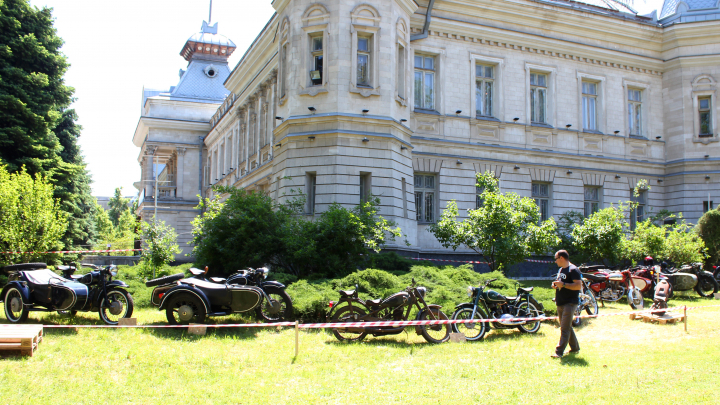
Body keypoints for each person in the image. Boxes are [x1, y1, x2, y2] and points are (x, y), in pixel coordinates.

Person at [550, 250, 582, 358]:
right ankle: (575, 348)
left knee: (564, 328)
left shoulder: (574, 270)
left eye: (556, 259)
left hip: (570, 302)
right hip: (560, 302)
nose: (555, 261)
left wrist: (563, 284)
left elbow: (578, 286)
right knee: (567, 326)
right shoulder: (561, 270)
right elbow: (560, 282)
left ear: (562, 258)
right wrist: (555, 285)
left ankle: (558, 352)